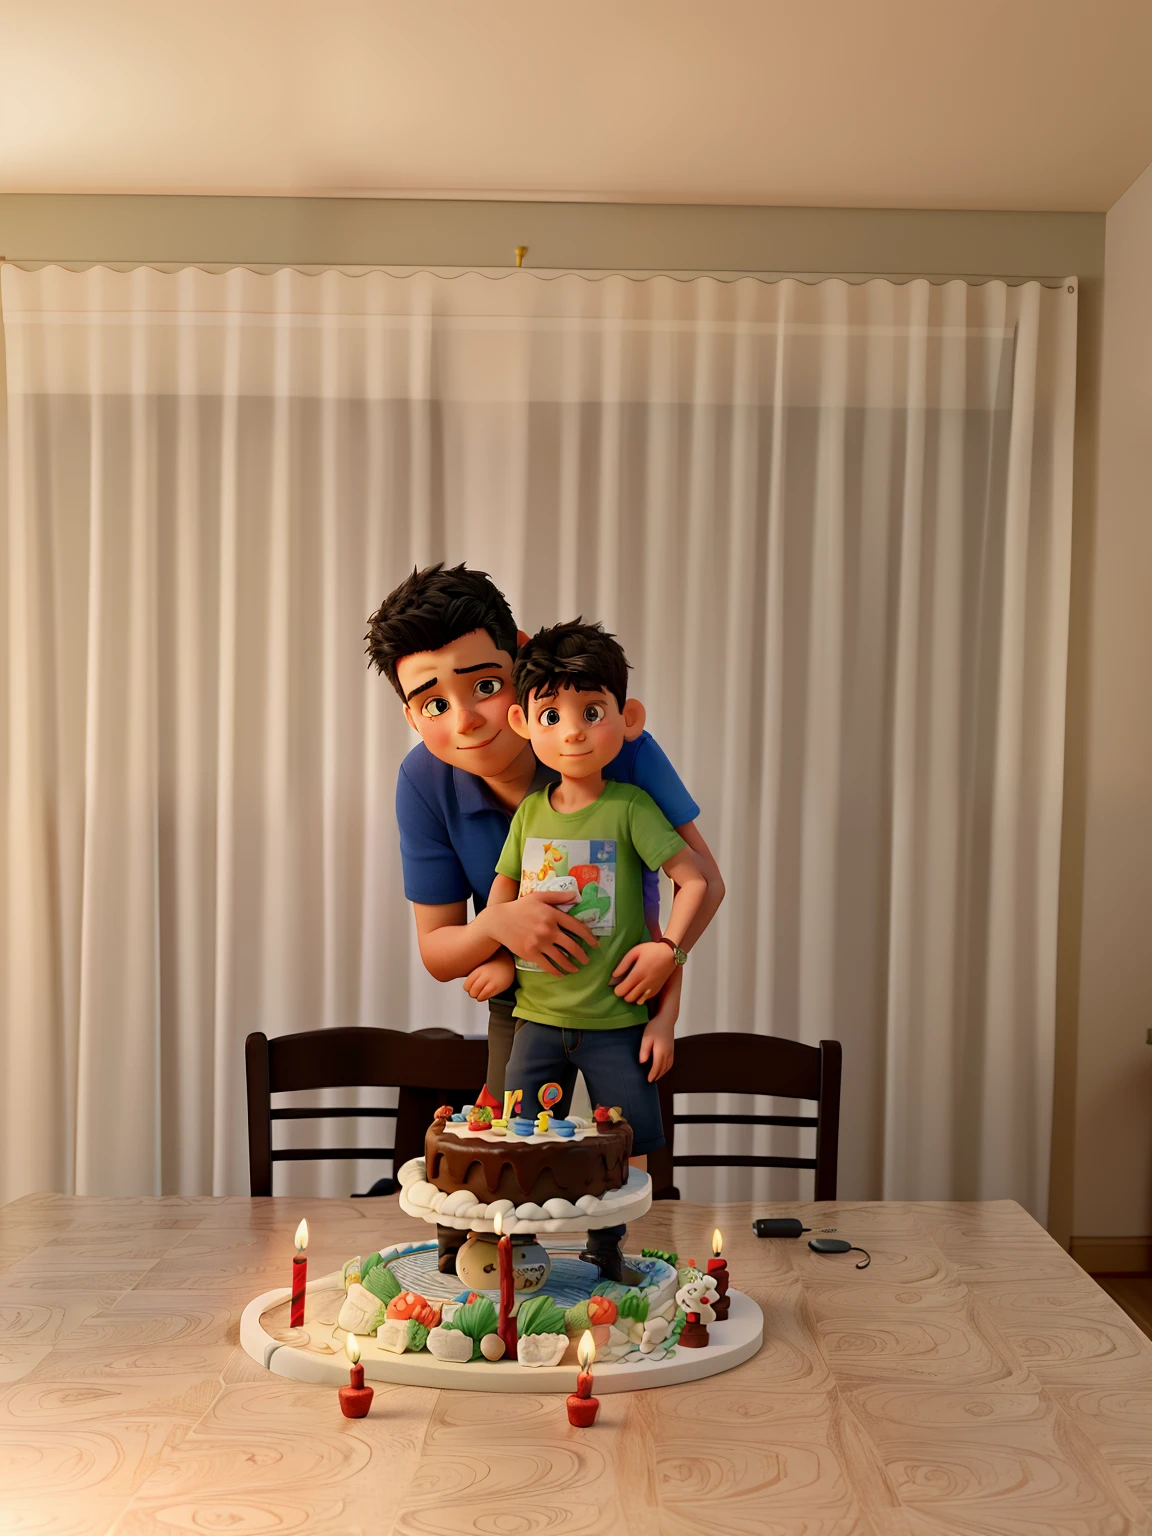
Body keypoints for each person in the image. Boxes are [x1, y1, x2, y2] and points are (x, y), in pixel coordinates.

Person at [365, 564, 725, 1103]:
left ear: (523, 656)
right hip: (521, 1002)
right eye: (435, 705)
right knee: (517, 1147)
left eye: (485, 686)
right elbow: (440, 952)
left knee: (625, 1148)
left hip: (623, 986)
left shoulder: (614, 750)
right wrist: (500, 929)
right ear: (411, 718)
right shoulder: (423, 781)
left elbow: (703, 883)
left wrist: (668, 957)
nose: (465, 720)